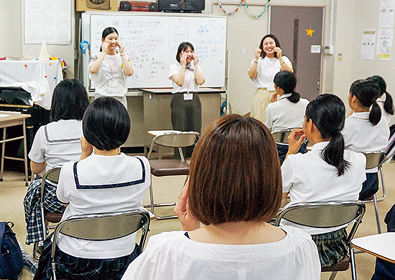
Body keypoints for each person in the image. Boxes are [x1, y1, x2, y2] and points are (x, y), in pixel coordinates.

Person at [121, 114, 321, 280]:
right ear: (271, 177)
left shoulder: (167, 251)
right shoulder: (302, 248)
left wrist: (186, 233)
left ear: (201, 179)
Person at [34, 97, 150, 280]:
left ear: (87, 133)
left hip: (76, 260)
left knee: (49, 249)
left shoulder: (72, 170)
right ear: (125, 130)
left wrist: (84, 155)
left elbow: (64, 203)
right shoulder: (143, 166)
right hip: (123, 256)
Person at [281, 94, 366, 267]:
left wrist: (290, 152)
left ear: (310, 124)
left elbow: (275, 195)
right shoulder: (359, 160)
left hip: (296, 246)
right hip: (335, 247)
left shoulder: (297, 163)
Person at [23, 79, 89, 246]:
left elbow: (35, 168)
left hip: (55, 200)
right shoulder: (90, 129)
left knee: (37, 188)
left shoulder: (44, 131)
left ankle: (41, 240)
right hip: (87, 197)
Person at [342, 79, 390, 200]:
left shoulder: (348, 125)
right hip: (372, 183)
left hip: (349, 182)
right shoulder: (382, 122)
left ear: (354, 98)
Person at [168, 42, 205, 158]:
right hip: (179, 99)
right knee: (180, 128)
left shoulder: (196, 68)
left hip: (194, 99)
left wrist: (196, 65)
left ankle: (193, 157)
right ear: (180, 54)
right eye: (186, 51)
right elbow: (179, 81)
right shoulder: (174, 67)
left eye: (191, 51)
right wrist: (183, 66)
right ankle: (180, 157)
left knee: (195, 128)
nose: (189, 54)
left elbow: (200, 81)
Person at [265, 70, 309, 163]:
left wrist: (273, 104)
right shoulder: (305, 103)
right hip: (300, 148)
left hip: (279, 151)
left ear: (278, 88)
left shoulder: (272, 107)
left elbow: (268, 131)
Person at [248, 34, 293, 123]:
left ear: (276, 45)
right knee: (261, 121)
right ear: (262, 47)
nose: (269, 46)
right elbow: (252, 76)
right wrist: (256, 58)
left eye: (271, 43)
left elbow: (289, 75)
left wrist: (280, 57)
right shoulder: (258, 60)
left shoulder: (283, 59)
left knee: (279, 121)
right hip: (262, 94)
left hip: (279, 93)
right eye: (266, 44)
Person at [89, 27, 134, 108]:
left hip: (119, 98)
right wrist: (104, 53)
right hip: (102, 97)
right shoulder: (97, 56)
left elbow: (129, 72)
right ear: (103, 40)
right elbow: (93, 70)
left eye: (116, 39)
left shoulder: (122, 57)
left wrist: (122, 53)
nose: (113, 42)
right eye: (110, 39)